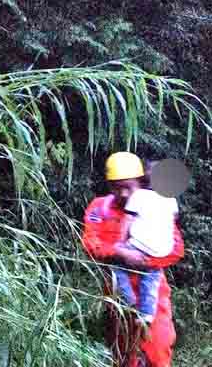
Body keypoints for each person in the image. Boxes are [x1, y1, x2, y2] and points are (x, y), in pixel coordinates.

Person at [82, 152, 184, 367]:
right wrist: (119, 253)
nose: (123, 193)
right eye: (116, 187)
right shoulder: (100, 208)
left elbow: (175, 249)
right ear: (109, 186)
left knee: (158, 347)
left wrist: (144, 261)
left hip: (153, 291)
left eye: (129, 186)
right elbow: (90, 242)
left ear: (141, 182)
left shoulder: (155, 206)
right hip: (118, 291)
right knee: (124, 352)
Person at [112, 180, 179, 326]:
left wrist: (121, 247)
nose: (124, 194)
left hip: (138, 248)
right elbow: (173, 222)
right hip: (160, 251)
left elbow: (127, 221)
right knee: (151, 278)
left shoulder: (139, 196)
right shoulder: (170, 199)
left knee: (116, 268)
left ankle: (127, 300)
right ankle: (147, 313)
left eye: (127, 187)